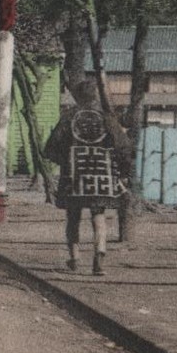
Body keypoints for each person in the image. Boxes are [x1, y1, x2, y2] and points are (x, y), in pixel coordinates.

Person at [43, 78, 132, 276]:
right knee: (98, 215)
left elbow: (50, 148)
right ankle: (99, 255)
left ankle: (74, 258)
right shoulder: (107, 117)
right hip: (101, 174)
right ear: (95, 96)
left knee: (73, 216)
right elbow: (124, 146)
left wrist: (65, 160)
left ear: (78, 96)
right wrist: (124, 172)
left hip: (75, 174)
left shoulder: (69, 116)